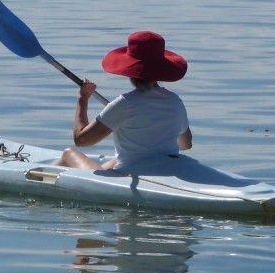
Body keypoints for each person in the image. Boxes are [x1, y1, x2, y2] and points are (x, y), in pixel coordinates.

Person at [55, 31, 192, 171]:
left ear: (130, 70)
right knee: (114, 161)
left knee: (68, 154)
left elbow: (82, 140)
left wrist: (83, 99)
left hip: (130, 173)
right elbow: (186, 144)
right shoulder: (175, 101)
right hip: (164, 168)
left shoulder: (125, 103)